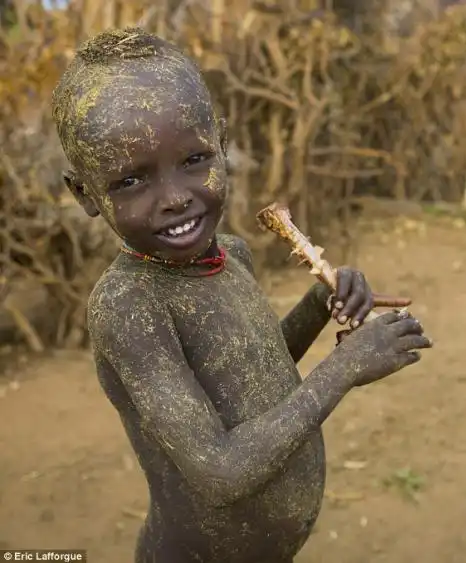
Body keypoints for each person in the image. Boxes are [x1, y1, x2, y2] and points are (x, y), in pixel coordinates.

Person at [51, 27, 432, 563]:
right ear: (86, 193)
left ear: (222, 145)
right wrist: (344, 369)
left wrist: (321, 306)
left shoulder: (230, 255)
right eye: (132, 181)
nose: (175, 199)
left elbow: (252, 373)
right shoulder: (130, 307)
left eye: (193, 161)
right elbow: (218, 470)